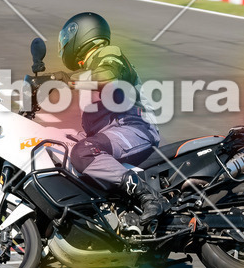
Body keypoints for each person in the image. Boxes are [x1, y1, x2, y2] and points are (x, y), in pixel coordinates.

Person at [55, 12, 167, 233]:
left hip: (136, 127)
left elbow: (108, 75)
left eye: (68, 37)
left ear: (82, 34)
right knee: (60, 146)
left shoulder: (107, 53)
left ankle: (147, 196)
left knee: (83, 152)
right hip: (117, 132)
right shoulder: (90, 70)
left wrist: (65, 79)